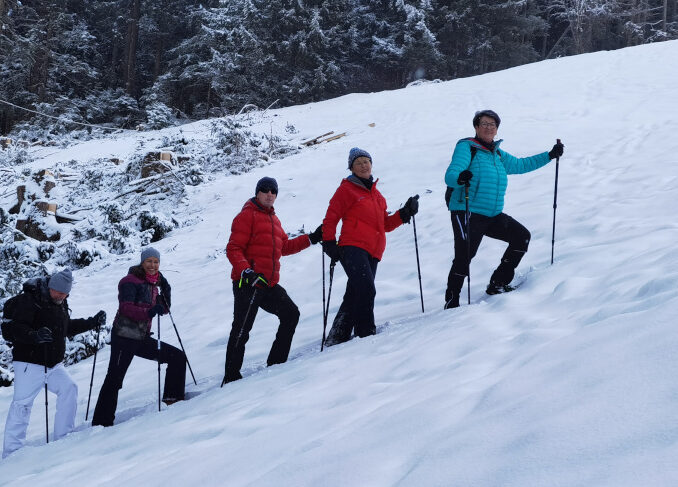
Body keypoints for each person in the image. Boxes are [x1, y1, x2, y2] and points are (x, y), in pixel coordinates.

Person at [443, 110, 564, 309]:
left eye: (492, 124)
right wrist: (460, 178)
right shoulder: (467, 147)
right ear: (476, 127)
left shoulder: (496, 153)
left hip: (492, 214)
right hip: (467, 212)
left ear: (497, 129)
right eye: (484, 123)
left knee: (521, 237)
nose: (488, 127)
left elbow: (520, 164)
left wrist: (549, 155)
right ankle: (452, 301)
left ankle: (498, 283)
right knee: (464, 257)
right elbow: (451, 174)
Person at [223, 177, 322, 384]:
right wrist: (247, 272)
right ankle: (231, 377)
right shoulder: (246, 216)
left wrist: (311, 238)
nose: (270, 194)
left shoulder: (274, 220)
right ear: (257, 192)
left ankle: (277, 364)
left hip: (267, 284)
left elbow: (284, 247)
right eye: (265, 190)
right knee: (242, 329)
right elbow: (233, 249)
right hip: (247, 284)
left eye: (273, 191)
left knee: (291, 313)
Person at [2, 269, 105, 458]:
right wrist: (34, 336)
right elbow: (15, 329)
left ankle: (63, 437)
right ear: (50, 287)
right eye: (58, 292)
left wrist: (92, 322)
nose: (61, 296)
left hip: (53, 364)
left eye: (65, 293)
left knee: (69, 389)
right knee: (22, 405)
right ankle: (11, 452)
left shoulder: (61, 304)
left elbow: (66, 328)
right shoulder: (30, 301)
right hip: (29, 362)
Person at [321, 147, 419, 346]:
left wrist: (405, 212)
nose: (364, 165)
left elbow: (385, 225)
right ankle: (365, 335)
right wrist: (329, 242)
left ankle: (337, 335)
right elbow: (331, 218)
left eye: (366, 161)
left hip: (373, 251)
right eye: (359, 163)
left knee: (356, 292)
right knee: (366, 289)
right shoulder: (346, 190)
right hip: (352, 246)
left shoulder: (377, 195)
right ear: (352, 168)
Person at [92, 247, 186, 427]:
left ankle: (173, 400)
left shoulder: (154, 285)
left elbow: (165, 309)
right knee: (114, 379)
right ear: (142, 262)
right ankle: (101, 423)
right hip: (124, 337)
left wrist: (165, 287)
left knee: (177, 357)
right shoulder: (129, 281)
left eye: (156, 262)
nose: (153, 265)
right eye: (149, 261)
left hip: (141, 337)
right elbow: (126, 308)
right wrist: (150, 311)